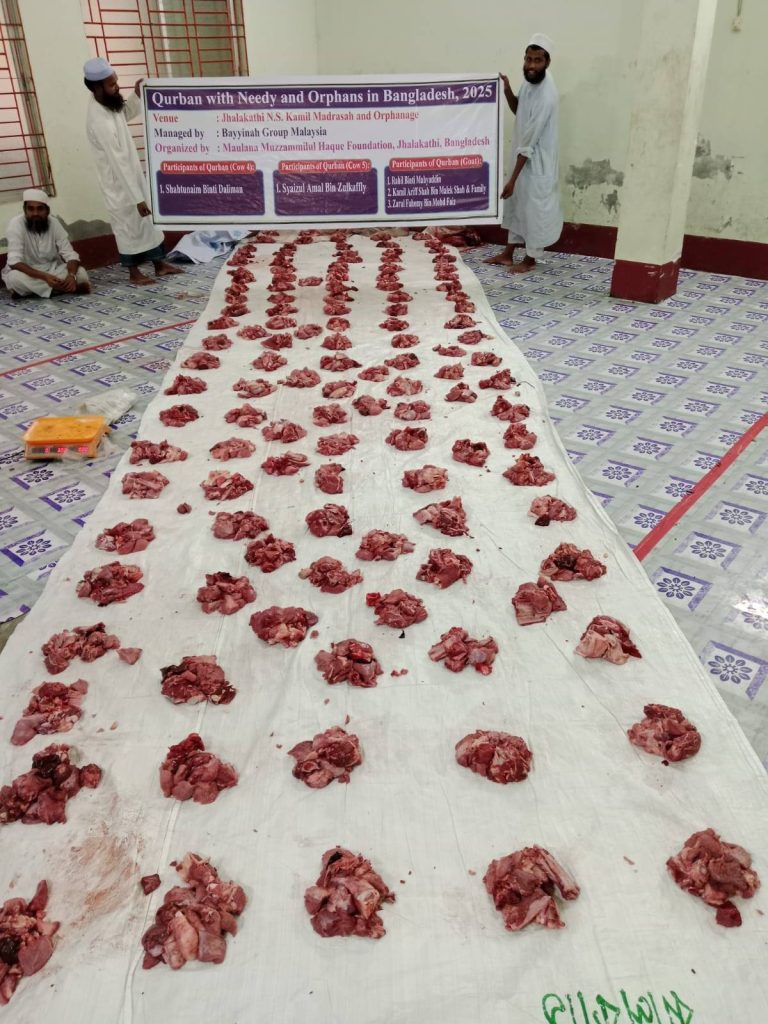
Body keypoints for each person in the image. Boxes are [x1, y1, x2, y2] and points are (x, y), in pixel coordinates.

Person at [83, 57, 182, 285]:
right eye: (112, 84)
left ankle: (160, 265)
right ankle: (134, 273)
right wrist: (136, 198)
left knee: (148, 224)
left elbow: (123, 114)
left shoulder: (107, 103)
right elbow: (118, 162)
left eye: (116, 81)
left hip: (133, 178)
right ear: (97, 87)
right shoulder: (98, 120)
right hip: (118, 185)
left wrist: (137, 95)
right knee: (127, 228)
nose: (117, 86)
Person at [488, 33, 563, 273]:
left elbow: (529, 143)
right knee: (517, 204)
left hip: (537, 162)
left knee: (534, 211)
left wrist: (512, 180)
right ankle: (508, 254)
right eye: (528, 59)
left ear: (547, 62)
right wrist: (507, 90)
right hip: (522, 159)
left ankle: (530, 260)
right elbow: (518, 109)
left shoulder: (547, 95)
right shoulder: (530, 82)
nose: (531, 65)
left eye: (537, 60)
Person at [2, 188, 90, 299]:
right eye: (31, 209)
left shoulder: (54, 223)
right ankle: (61, 289)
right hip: (28, 272)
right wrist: (44, 277)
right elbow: (14, 262)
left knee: (81, 274)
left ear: (47, 210)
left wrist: (72, 276)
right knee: (14, 278)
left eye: (40, 209)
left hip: (52, 269)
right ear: (25, 210)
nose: (35, 213)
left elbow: (70, 254)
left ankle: (36, 291)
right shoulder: (16, 224)